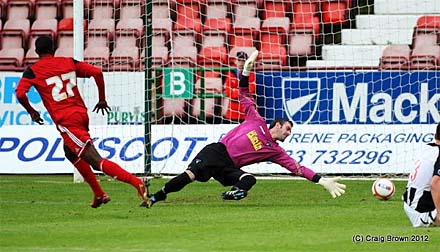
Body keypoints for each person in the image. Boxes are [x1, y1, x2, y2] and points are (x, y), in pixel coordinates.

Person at [147, 50, 346, 207]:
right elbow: (243, 93)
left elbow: (297, 168)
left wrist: (321, 181)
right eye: (287, 129)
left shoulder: (274, 151)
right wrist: (245, 72)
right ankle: (158, 196)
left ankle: (235, 193)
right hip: (217, 152)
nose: (288, 133)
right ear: (277, 125)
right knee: (189, 176)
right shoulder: (256, 120)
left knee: (249, 179)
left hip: (228, 166)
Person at [15, 36, 150, 208]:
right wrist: (102, 99)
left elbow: (20, 94)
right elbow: (97, 72)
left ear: (36, 51)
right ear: (54, 48)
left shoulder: (33, 71)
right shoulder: (68, 61)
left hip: (66, 120)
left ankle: (136, 182)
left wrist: (32, 112)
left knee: (96, 160)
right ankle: (99, 194)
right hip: (81, 114)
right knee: (69, 151)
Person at [402, 122, 440, 227]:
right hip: (423, 211)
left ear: (435, 136)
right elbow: (435, 183)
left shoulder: (426, 149)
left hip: (410, 206)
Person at [223, 51, 256, 123]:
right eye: (239, 60)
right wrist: (242, 92)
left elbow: (251, 90)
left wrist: (235, 90)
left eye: (243, 61)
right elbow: (228, 92)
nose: (241, 63)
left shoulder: (251, 74)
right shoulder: (230, 74)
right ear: (235, 61)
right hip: (233, 112)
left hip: (246, 112)